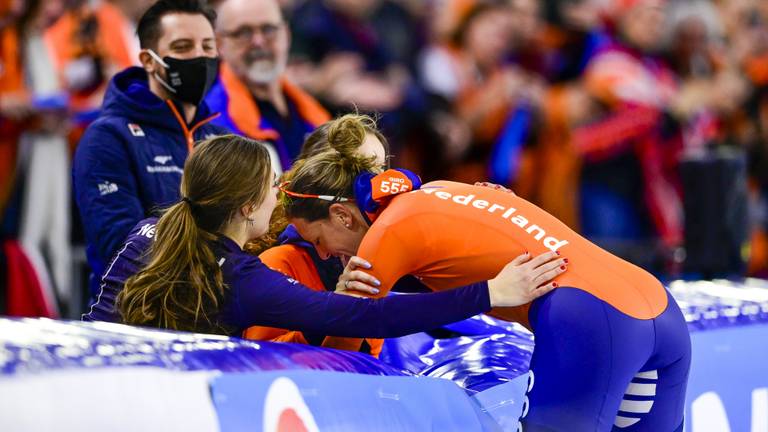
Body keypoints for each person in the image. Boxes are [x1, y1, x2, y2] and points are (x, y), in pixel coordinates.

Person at [281, 114, 691, 431]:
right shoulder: (440, 190)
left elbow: (341, 353)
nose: (321, 252)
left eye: (317, 238)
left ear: (342, 215)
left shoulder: (384, 235)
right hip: (658, 307)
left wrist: (337, 302)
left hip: (590, 319)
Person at [114, 133, 561, 340]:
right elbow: (365, 319)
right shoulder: (247, 276)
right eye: (272, 184)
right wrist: (489, 292)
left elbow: (102, 322)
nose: (280, 192)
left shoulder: (146, 231)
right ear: (248, 207)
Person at [73, 0, 226, 298]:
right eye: (183, 47)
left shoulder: (221, 138)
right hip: (133, 320)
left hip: (215, 318)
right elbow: (122, 249)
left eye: (208, 46)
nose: (200, 57)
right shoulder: (108, 137)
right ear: (148, 60)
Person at [206, 0, 330, 173]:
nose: (258, 41)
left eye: (268, 29)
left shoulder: (314, 114)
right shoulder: (211, 123)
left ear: (286, 35)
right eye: (243, 32)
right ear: (219, 44)